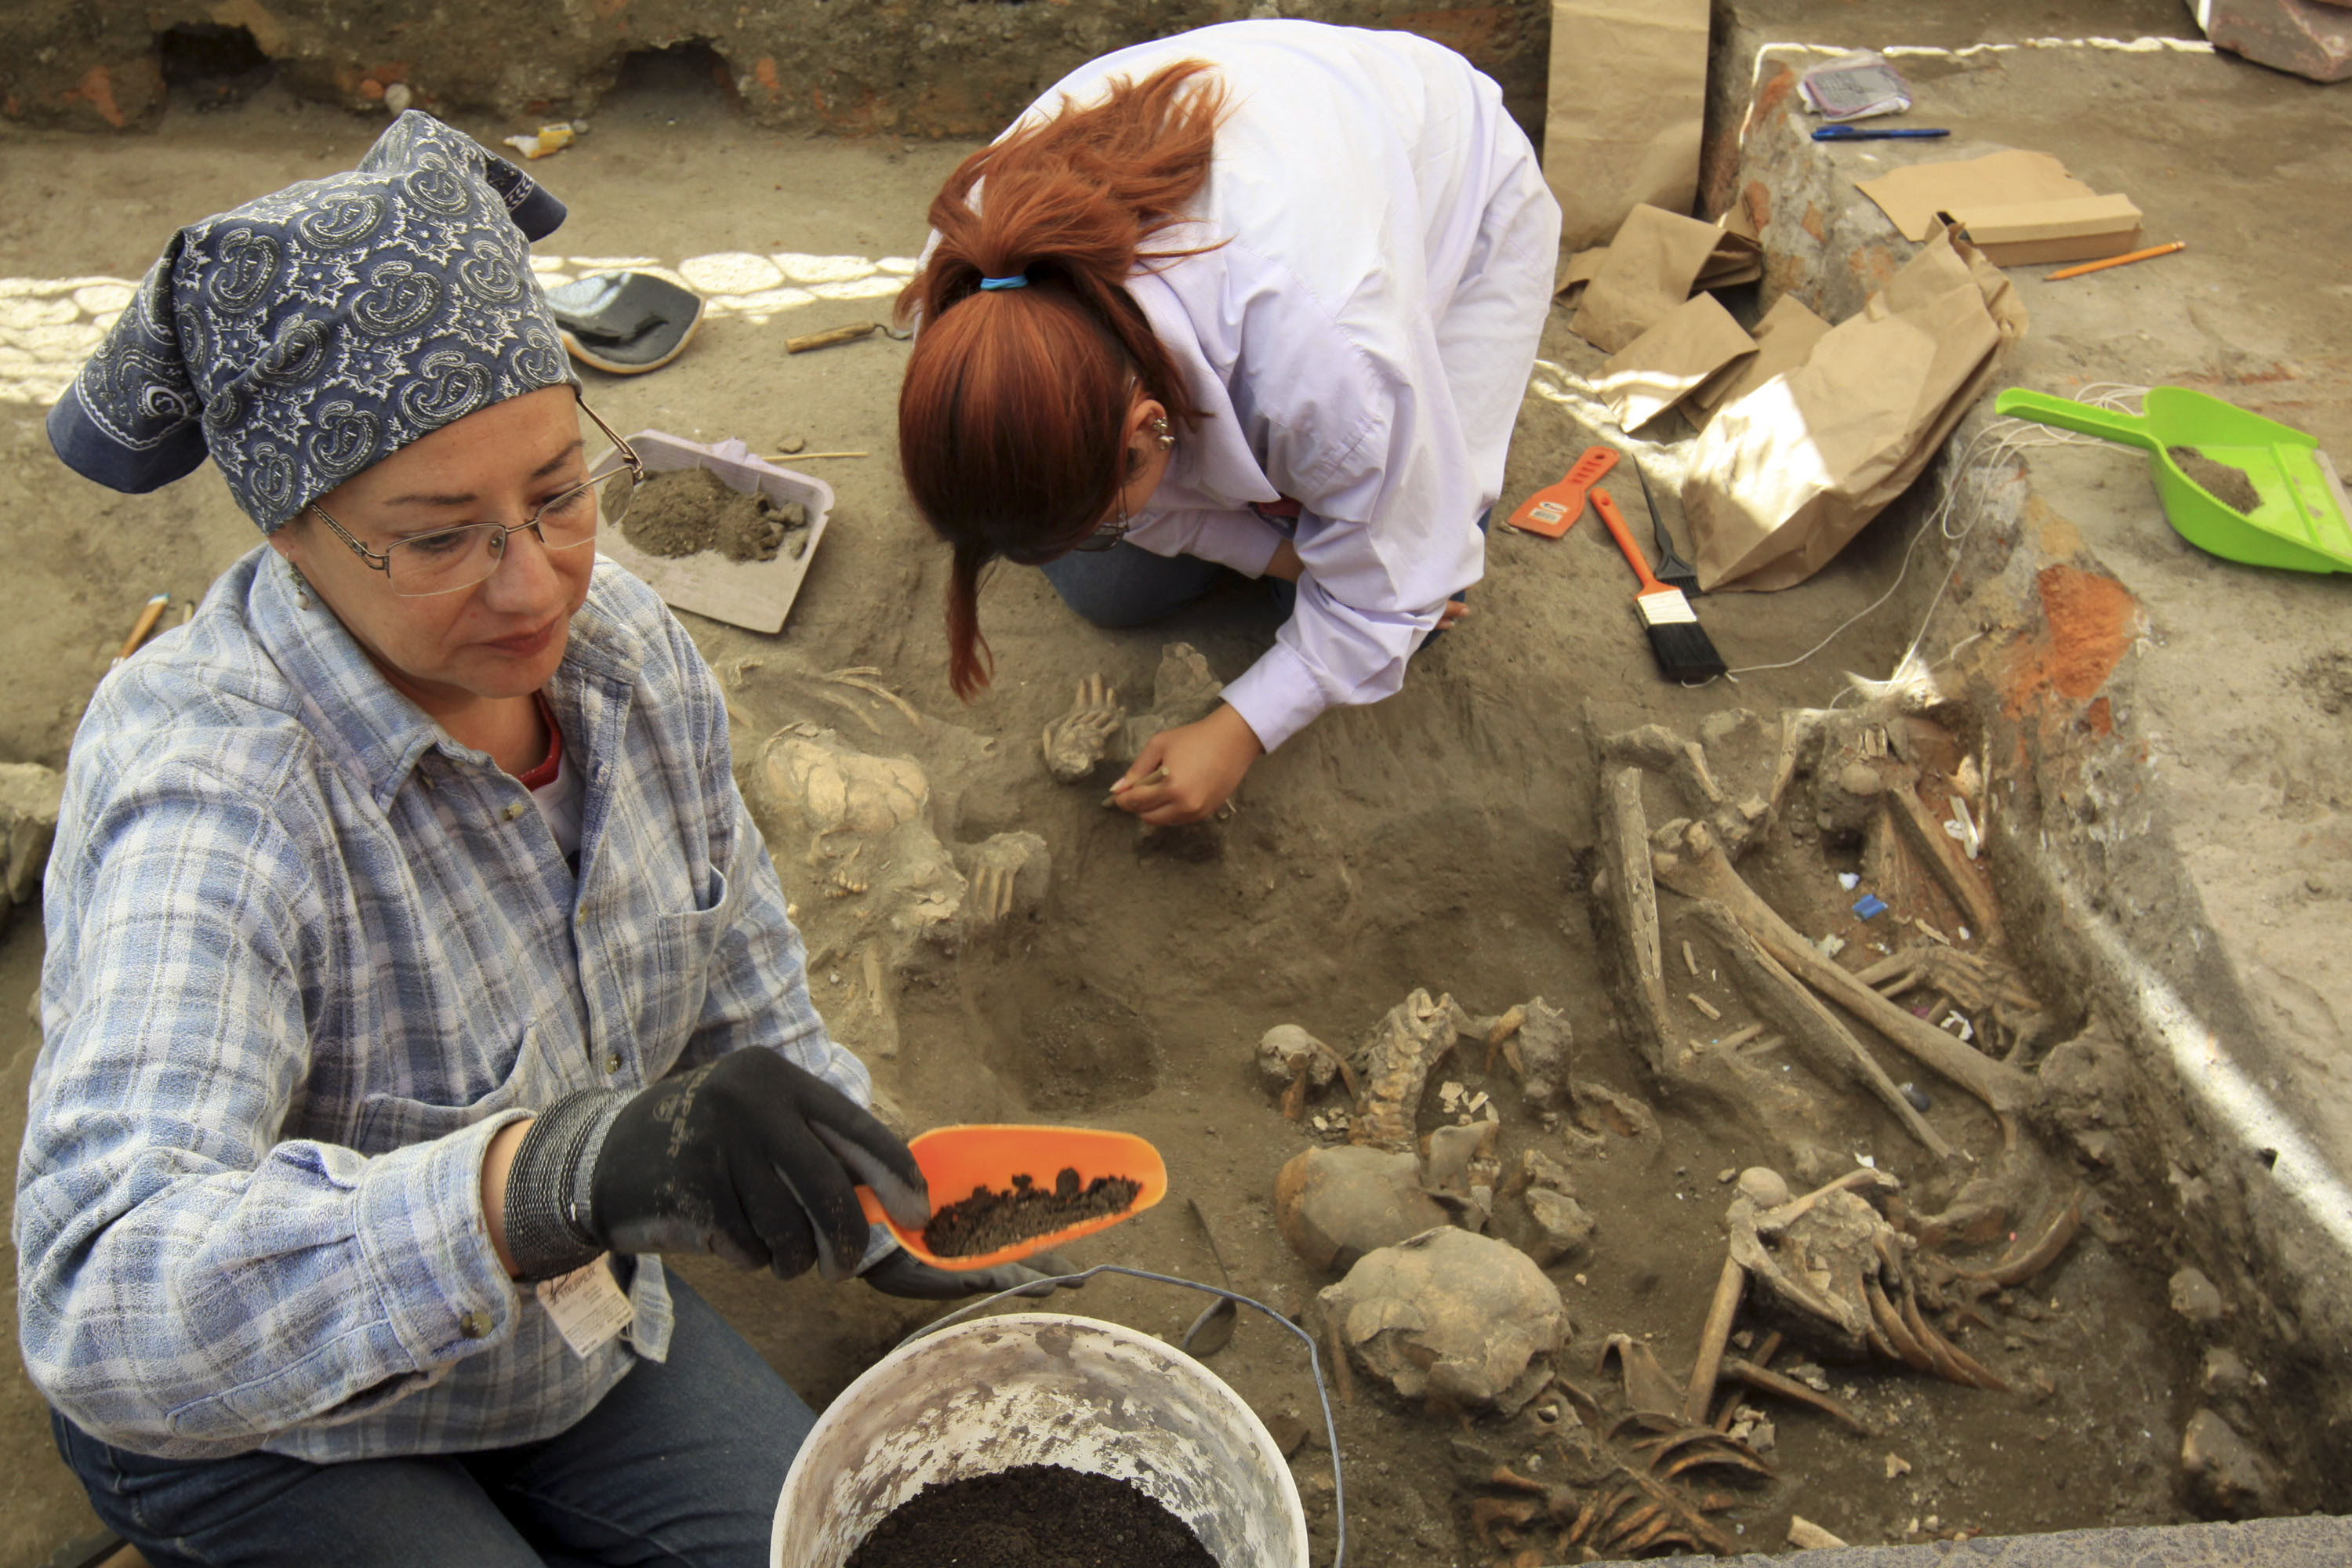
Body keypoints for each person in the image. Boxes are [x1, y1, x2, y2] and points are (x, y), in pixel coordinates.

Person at [18, 113, 1056, 1568]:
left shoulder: (617, 654)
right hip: (262, 1425)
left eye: (560, 493)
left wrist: (878, 1198)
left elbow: (736, 964)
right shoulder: (216, 796)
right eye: (439, 537)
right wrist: (551, 1178)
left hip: (555, 1342)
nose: (533, 584)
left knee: (814, 1549)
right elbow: (100, 1299)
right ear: (293, 531)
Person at [896, 19, 1561, 825]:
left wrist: (1242, 726)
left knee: (1412, 603)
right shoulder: (969, 287)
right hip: (1282, 157)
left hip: (1451, 178)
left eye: (1112, 504)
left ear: (1147, 429)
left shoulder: (1331, 357)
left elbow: (1390, 589)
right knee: (1109, 583)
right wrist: (1284, 556)